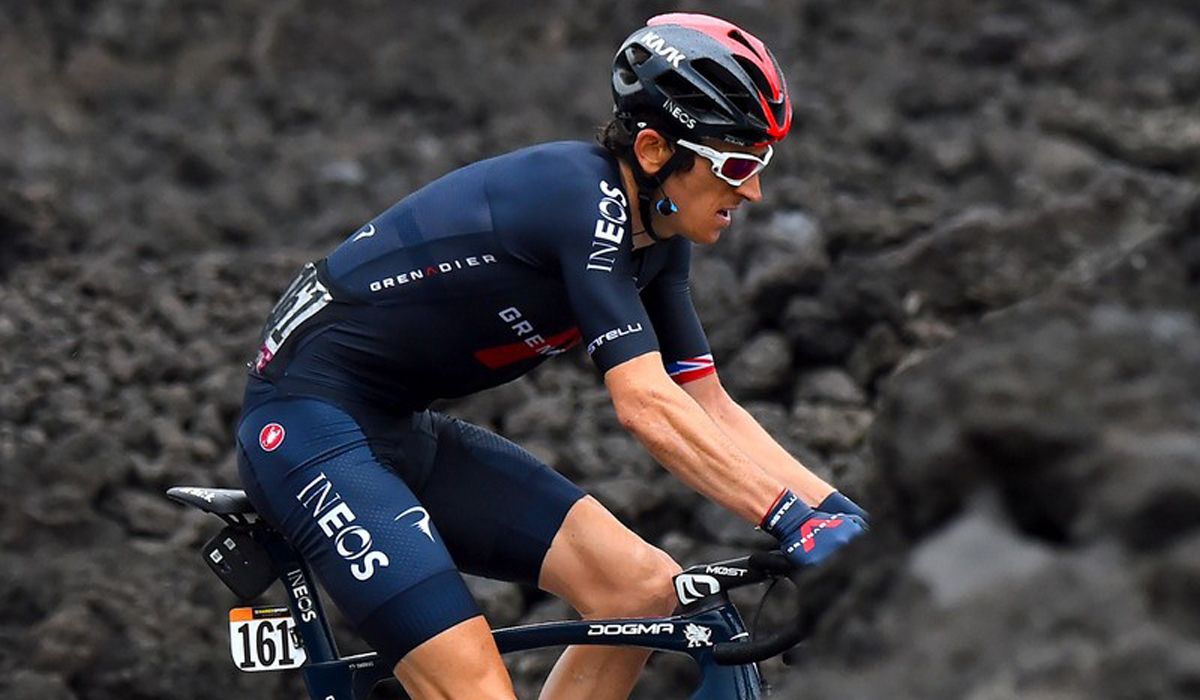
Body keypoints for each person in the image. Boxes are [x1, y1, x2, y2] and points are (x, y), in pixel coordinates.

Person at [234, 12, 868, 700]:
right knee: (477, 685)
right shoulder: (580, 200)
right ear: (654, 149)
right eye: (737, 165)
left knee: (638, 589)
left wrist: (845, 518)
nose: (753, 192)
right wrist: (792, 522)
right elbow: (644, 404)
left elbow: (704, 403)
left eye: (761, 164)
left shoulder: (658, 240)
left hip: (394, 429)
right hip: (304, 431)